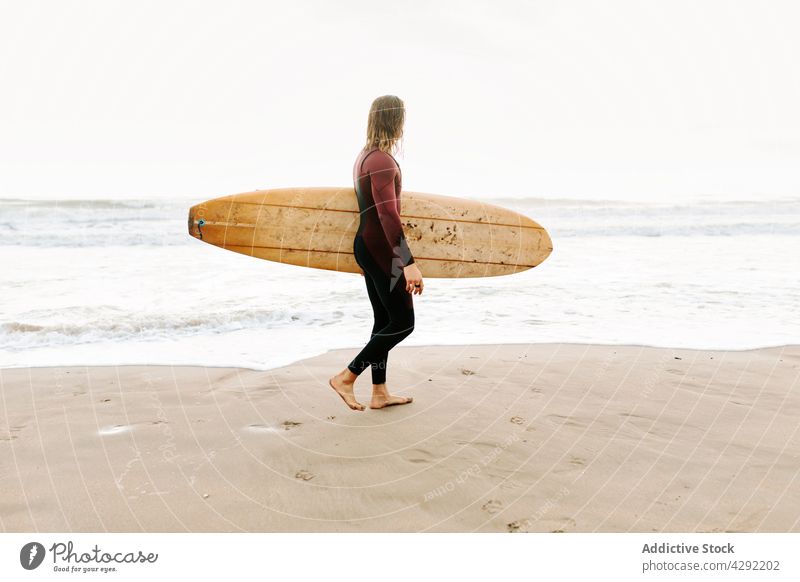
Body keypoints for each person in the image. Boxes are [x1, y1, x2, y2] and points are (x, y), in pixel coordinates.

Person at [328, 95, 424, 411]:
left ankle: (379, 392)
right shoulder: (381, 160)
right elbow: (387, 216)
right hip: (382, 251)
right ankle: (346, 376)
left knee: (385, 320)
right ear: (396, 121)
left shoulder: (365, 157)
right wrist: (408, 263)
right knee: (403, 323)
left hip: (370, 249)